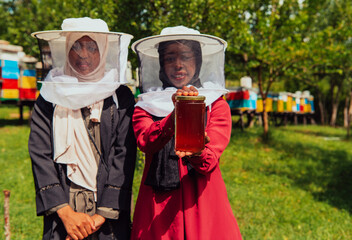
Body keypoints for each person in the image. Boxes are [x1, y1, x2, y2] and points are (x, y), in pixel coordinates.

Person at [28, 17, 137, 240]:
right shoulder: (50, 95)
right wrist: (66, 214)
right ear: (66, 49)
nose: (83, 54)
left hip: (108, 218)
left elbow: (124, 154)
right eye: (76, 45)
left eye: (92, 46)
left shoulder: (120, 96)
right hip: (63, 214)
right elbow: (40, 155)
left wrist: (100, 216)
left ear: (105, 51)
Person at [130, 26, 242, 239]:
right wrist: (174, 117)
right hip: (158, 207)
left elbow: (209, 161)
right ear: (161, 64)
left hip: (202, 201)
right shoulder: (145, 106)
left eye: (186, 57)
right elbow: (146, 141)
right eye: (170, 58)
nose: (178, 64)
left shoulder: (215, 105)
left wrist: (197, 150)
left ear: (197, 62)